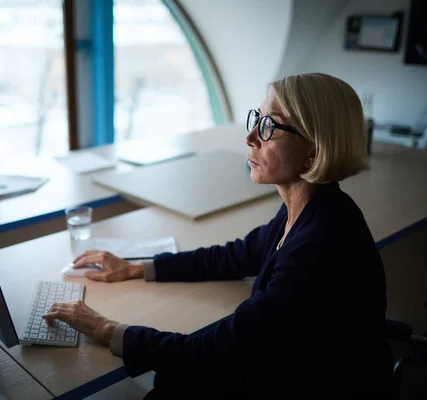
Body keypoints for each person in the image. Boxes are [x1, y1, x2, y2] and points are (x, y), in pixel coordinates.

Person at [43, 73, 394, 398]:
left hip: (308, 385)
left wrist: (106, 329)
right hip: (289, 366)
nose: (251, 137)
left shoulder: (319, 248)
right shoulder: (313, 206)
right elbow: (236, 255)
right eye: (256, 118)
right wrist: (139, 268)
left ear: (312, 153)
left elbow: (214, 352)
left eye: (270, 126)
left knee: (170, 385)